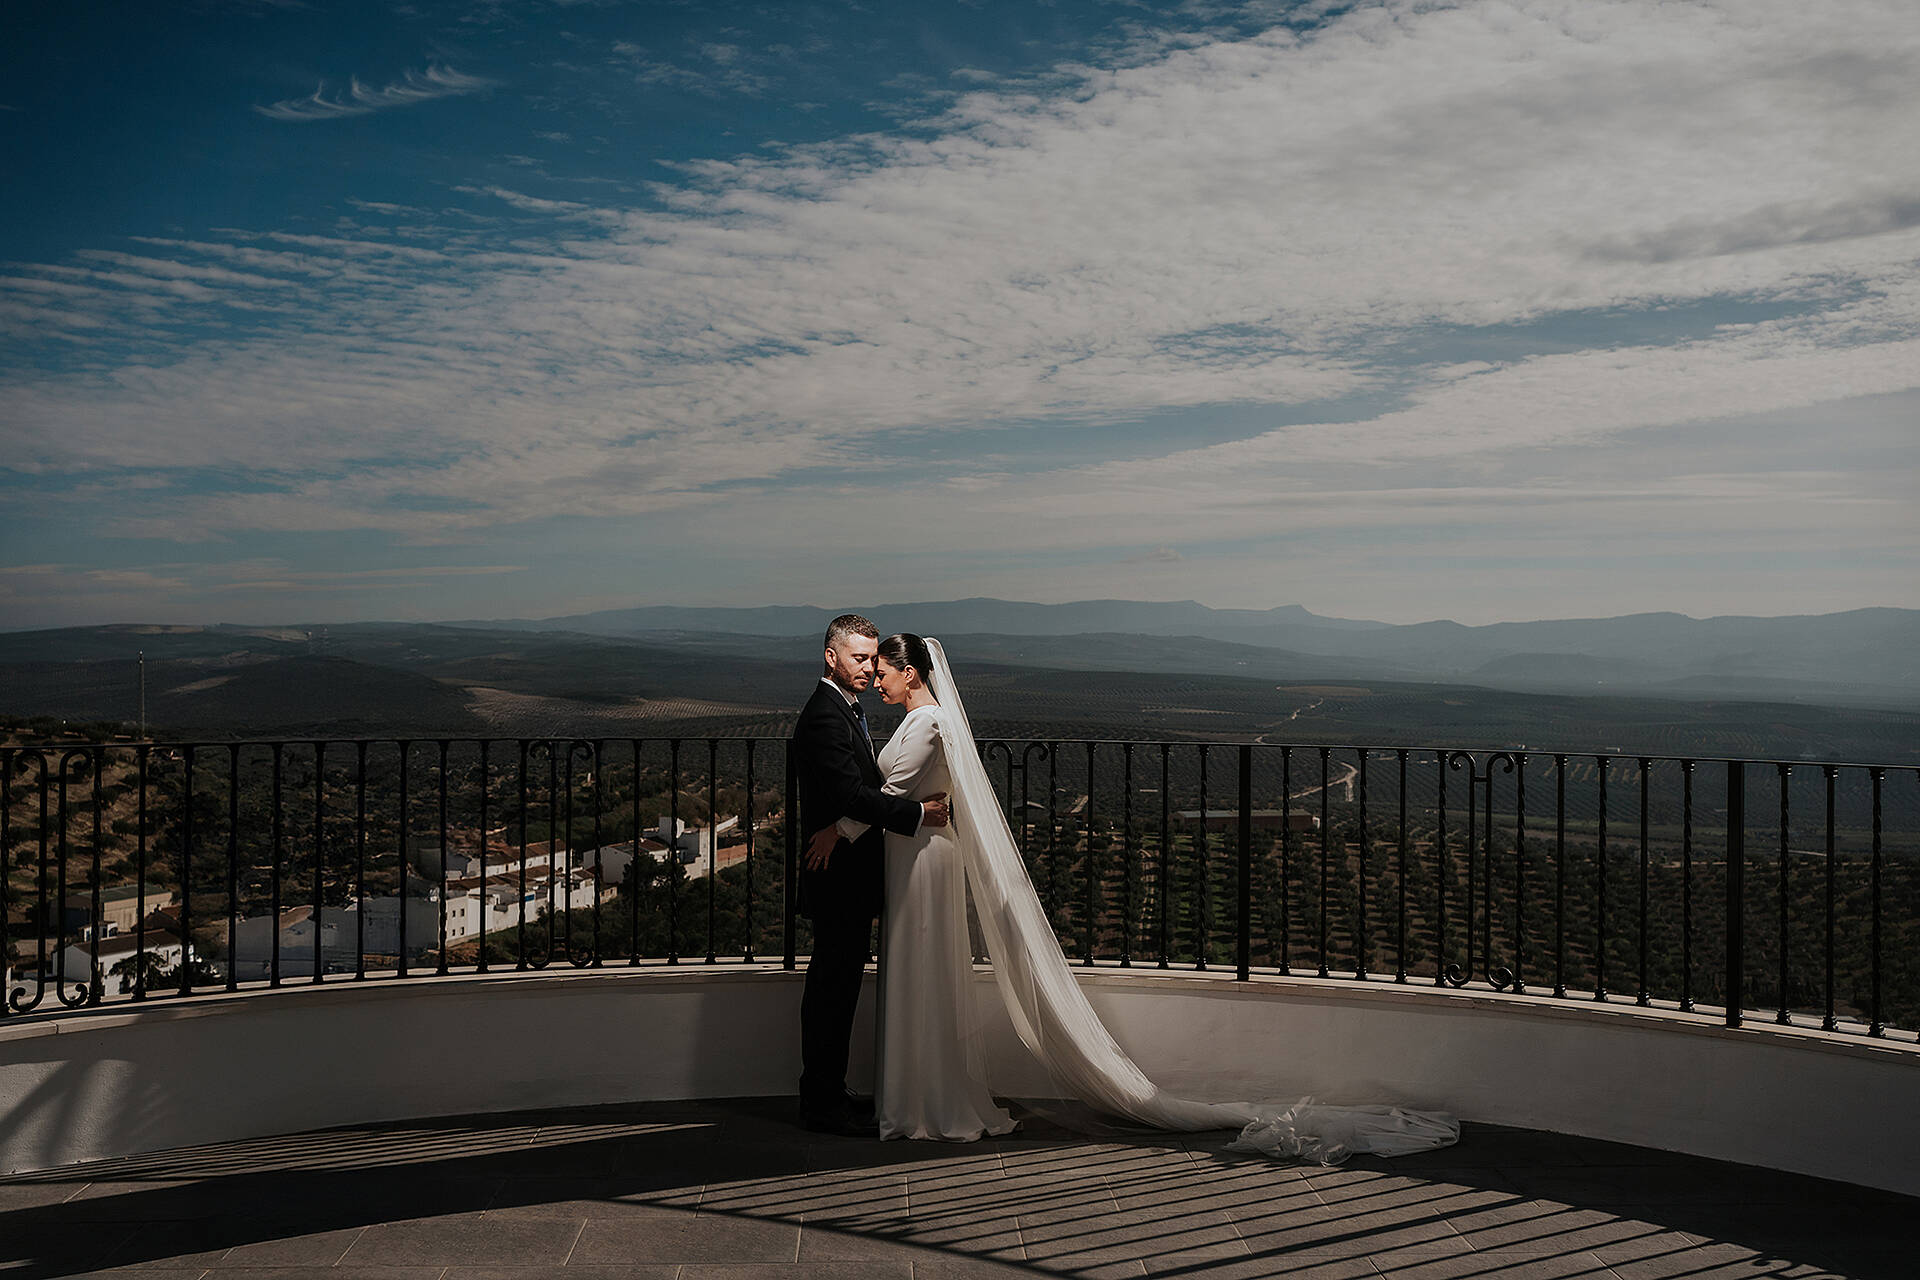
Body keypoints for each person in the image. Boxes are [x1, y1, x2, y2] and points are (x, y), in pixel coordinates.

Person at [810, 634, 1461, 1160]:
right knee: (918, 975)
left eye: (883, 670)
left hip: (921, 860)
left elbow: (886, 795)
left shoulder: (926, 722)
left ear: (911, 673)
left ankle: (921, 1102)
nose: (876, 679)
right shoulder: (926, 718)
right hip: (917, 853)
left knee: (919, 973)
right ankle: (916, 1094)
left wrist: (837, 831)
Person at [791, 614, 950, 1136]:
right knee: (831, 991)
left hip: (848, 876)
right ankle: (821, 1103)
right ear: (831, 657)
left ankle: (829, 1091)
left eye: (872, 659)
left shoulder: (846, 708)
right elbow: (852, 796)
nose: (868, 667)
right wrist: (917, 815)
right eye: (858, 658)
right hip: (836, 877)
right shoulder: (825, 716)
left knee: (839, 989)